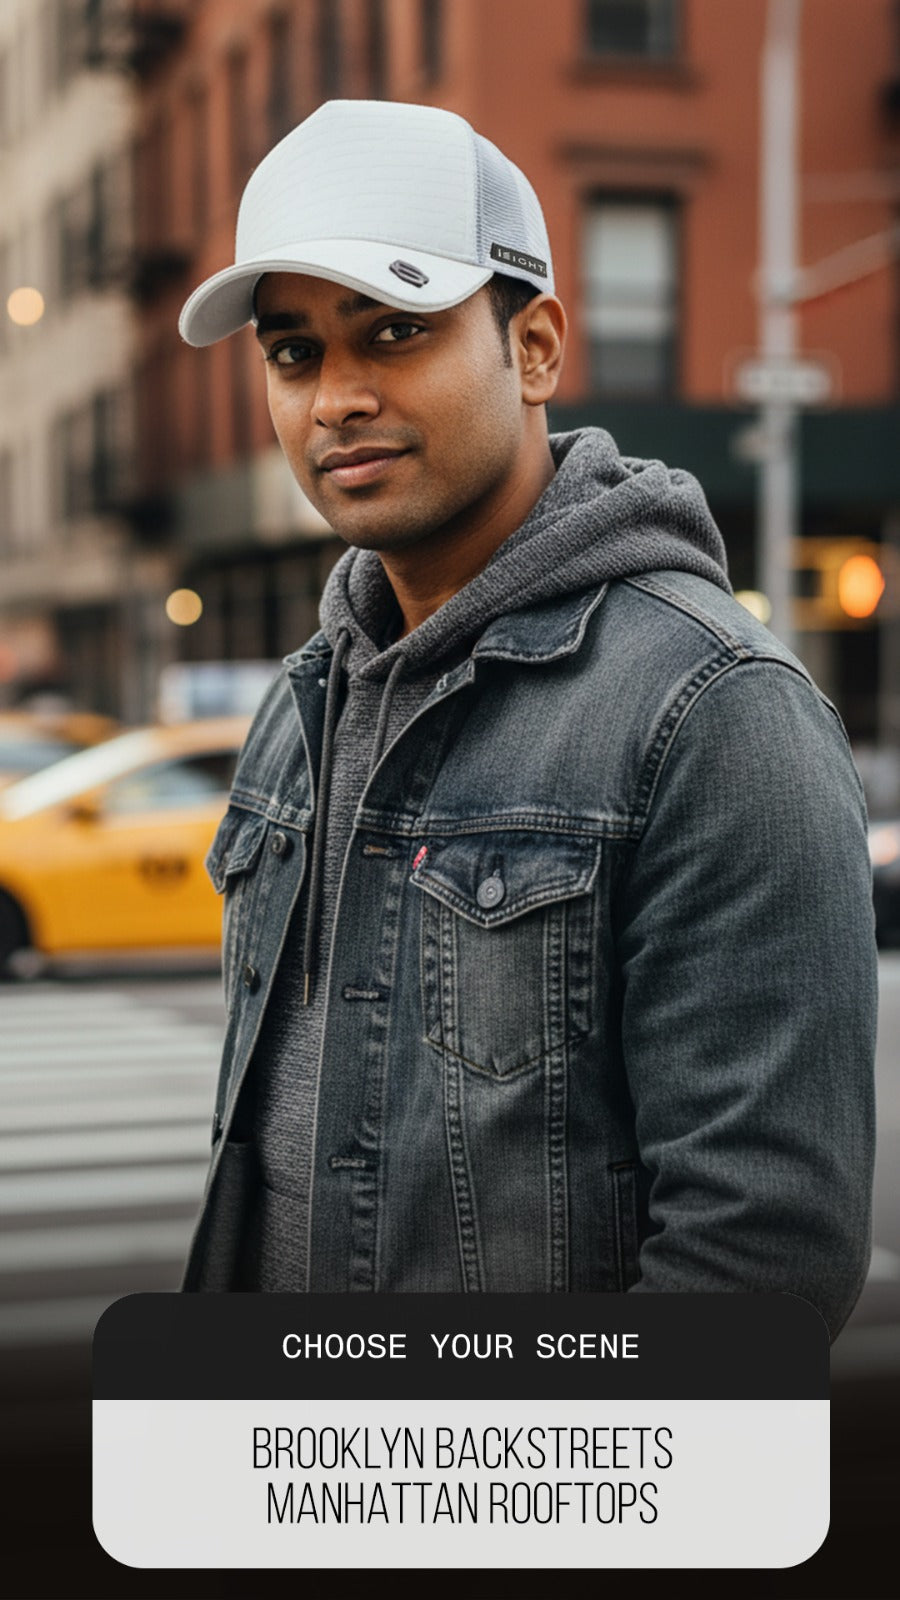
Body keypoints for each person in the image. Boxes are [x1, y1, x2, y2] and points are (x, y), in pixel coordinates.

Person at [177, 99, 876, 1338]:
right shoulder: (307, 701)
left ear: (537, 346)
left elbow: (760, 1257)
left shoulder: (714, 713)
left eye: (395, 330)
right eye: (293, 351)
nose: (335, 397)